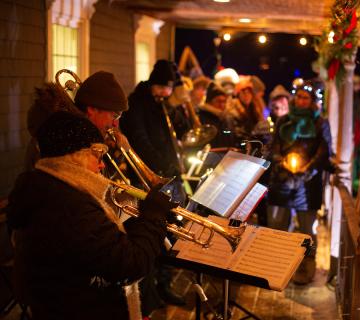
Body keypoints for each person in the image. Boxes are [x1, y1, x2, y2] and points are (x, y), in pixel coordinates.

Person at [6, 111, 173, 320]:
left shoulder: (46, 187)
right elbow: (132, 265)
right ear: (76, 156)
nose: (102, 165)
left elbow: (101, 247)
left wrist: (138, 224)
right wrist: (154, 215)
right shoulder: (69, 205)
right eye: (98, 155)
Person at [120, 59, 186, 312]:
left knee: (171, 231)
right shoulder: (137, 103)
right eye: (166, 87)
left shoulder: (161, 104)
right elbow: (140, 139)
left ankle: (165, 283)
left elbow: (177, 132)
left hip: (169, 174)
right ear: (157, 85)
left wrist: (177, 109)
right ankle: (152, 290)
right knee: (153, 231)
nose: (168, 92)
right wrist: (159, 169)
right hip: (150, 178)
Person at [267, 79, 334, 285]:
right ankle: (276, 266)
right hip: (282, 180)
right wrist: (282, 162)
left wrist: (307, 170)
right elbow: (274, 146)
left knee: (307, 228)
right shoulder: (284, 120)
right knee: (277, 225)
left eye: (306, 97)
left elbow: (324, 151)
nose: (301, 100)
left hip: (307, 184)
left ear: (313, 101)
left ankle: (305, 267)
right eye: (299, 96)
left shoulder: (320, 123)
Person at [224, 76, 263, 145]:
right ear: (238, 94)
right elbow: (236, 134)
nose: (246, 95)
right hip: (240, 149)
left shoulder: (254, 109)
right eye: (244, 92)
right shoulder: (233, 111)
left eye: (249, 92)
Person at [198, 82, 234, 148]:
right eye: (218, 101)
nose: (222, 105)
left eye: (224, 101)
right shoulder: (201, 117)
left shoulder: (228, 119)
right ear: (209, 102)